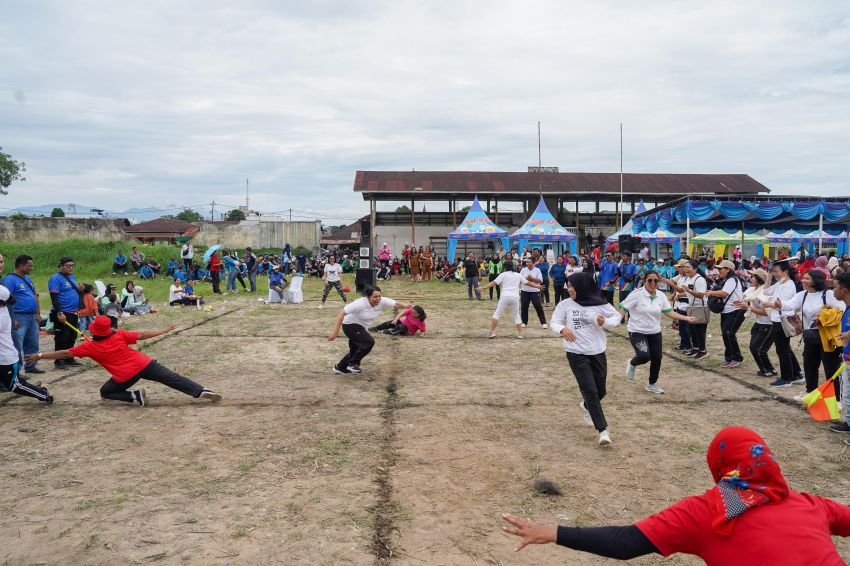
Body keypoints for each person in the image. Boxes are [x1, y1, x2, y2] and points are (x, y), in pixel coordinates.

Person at [501, 425, 850, 563]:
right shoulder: (808, 503)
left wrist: (553, 532)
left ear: (719, 467)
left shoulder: (709, 513)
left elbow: (626, 543)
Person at [29, 316, 221, 407]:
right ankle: (200, 390)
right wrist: (163, 330)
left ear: (94, 331)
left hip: (126, 375)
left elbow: (63, 353)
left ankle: (135, 396)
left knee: (106, 392)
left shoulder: (88, 347)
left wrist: (40, 355)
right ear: (109, 329)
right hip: (144, 363)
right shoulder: (119, 334)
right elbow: (143, 334)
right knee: (172, 378)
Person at [550, 273, 621, 445]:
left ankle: (587, 406)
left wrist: (604, 321)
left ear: (582, 286)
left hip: (597, 351)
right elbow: (554, 321)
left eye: (572, 286)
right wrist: (562, 329)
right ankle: (603, 431)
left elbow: (616, 318)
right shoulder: (565, 304)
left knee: (601, 391)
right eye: (568, 285)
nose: (568, 289)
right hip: (575, 353)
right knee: (590, 391)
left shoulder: (599, 302)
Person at [620, 271, 697, 394]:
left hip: (654, 331)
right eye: (649, 280)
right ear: (644, 281)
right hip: (637, 330)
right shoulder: (636, 294)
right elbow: (623, 308)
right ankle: (632, 363)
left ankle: (652, 384)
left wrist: (686, 318)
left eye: (655, 280)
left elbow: (668, 312)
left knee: (657, 357)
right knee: (644, 356)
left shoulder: (661, 295)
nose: (653, 283)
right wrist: (614, 320)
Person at [774, 269, 843, 398]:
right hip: (810, 337)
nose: (803, 281)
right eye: (803, 278)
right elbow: (790, 305)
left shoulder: (827, 294)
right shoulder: (803, 295)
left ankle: (835, 398)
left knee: (830, 369)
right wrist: (780, 304)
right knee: (810, 367)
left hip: (827, 337)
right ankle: (810, 394)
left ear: (816, 280)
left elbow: (841, 308)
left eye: (807, 278)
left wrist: (824, 317)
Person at [328, 285, 411, 375]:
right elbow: (342, 313)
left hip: (362, 327)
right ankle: (353, 364)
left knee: (355, 350)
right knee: (368, 342)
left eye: (379, 296)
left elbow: (396, 304)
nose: (378, 299)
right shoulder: (360, 303)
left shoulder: (381, 301)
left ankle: (340, 367)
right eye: (375, 297)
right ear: (368, 297)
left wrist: (406, 305)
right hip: (350, 325)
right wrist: (335, 332)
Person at [0, 286, 52, 403]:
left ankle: (43, 394)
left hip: (5, 359)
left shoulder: (2, 316)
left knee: (14, 385)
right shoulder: (3, 309)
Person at [764, 259, 804, 388]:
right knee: (786, 348)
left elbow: (784, 305)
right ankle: (796, 374)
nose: (775, 273)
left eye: (776, 271)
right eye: (773, 271)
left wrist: (769, 304)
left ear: (785, 272)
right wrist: (769, 277)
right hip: (777, 319)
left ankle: (786, 378)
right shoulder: (780, 283)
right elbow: (766, 292)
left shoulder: (789, 285)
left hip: (782, 320)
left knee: (782, 350)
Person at [734, 269, 777, 378]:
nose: (750, 278)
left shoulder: (764, 292)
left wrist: (748, 307)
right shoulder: (752, 291)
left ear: (759, 279)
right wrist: (742, 304)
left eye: (753, 276)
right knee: (756, 348)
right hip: (759, 323)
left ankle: (766, 370)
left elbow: (767, 313)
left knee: (757, 348)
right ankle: (769, 369)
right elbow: (747, 302)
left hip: (768, 324)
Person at [480, 260, 538, 339]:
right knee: (517, 315)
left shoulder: (503, 274)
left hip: (505, 296)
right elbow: (527, 282)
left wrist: (483, 287)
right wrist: (537, 286)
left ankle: (492, 332)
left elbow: (494, 282)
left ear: (505, 267)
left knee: (497, 314)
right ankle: (520, 334)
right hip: (515, 297)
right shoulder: (518, 275)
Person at [6, 255, 44, 375]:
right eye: (29, 265)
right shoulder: (10, 280)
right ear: (21, 265)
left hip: (32, 316)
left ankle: (31, 366)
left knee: (33, 343)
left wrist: (38, 313)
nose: (31, 268)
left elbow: (34, 296)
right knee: (17, 344)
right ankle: (16, 372)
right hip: (19, 316)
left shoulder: (28, 279)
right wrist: (12, 319)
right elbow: (6, 300)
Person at [704, 260, 745, 368]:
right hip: (727, 311)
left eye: (721, 268)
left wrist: (711, 292)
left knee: (729, 334)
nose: (718, 270)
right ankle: (729, 357)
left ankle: (736, 357)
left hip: (735, 311)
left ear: (728, 269)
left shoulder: (732, 280)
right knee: (725, 334)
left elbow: (724, 293)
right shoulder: (727, 280)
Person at [48, 256, 84, 370]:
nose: (71, 267)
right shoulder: (55, 279)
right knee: (61, 337)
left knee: (72, 336)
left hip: (73, 312)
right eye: (68, 266)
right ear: (61, 266)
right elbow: (54, 297)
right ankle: (59, 360)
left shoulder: (71, 277)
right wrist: (59, 313)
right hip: (63, 312)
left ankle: (69, 357)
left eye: (72, 265)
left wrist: (80, 290)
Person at [831, 272, 850, 435]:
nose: (833, 290)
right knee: (848, 394)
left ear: (844, 290)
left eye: (835, 287)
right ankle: (849, 422)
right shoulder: (846, 308)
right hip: (847, 356)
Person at [519, 257, 547, 328]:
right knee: (524, 306)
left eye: (529, 262)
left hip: (535, 291)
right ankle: (524, 322)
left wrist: (532, 279)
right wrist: (526, 279)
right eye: (527, 262)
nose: (527, 263)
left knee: (538, 305)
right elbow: (520, 280)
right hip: (524, 291)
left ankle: (543, 322)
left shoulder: (537, 270)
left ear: (533, 263)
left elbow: (541, 281)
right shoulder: (523, 270)